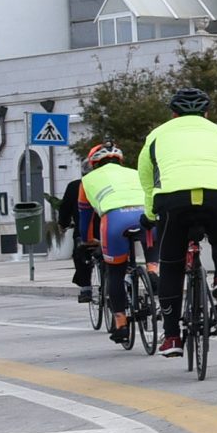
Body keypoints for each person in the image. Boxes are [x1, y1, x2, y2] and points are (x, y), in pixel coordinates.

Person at [139, 86, 217, 358]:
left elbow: (147, 179)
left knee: (171, 265)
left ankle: (172, 336)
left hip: (173, 201)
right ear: (206, 113)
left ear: (173, 114)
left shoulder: (156, 135)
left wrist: (151, 214)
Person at [79, 142, 149, 349]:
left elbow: (85, 219)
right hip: (146, 215)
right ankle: (153, 274)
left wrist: (88, 240)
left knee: (115, 272)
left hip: (115, 220)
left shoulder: (87, 181)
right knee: (153, 256)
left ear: (93, 164)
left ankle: (121, 324)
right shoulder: (135, 172)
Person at [57, 169, 96, 305]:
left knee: (80, 254)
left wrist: (63, 224)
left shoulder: (75, 186)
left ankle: (86, 289)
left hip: (85, 232)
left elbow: (65, 209)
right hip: (110, 227)